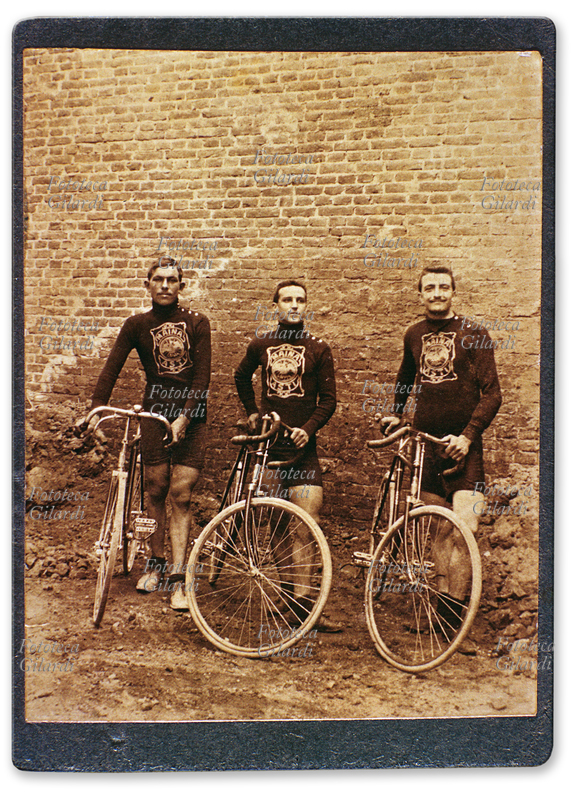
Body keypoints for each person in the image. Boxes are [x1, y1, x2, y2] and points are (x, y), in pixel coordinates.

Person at [77, 256, 211, 611]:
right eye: (158, 279)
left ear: (182, 285)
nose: (165, 285)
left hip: (191, 416)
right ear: (148, 284)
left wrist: (185, 418)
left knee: (181, 494)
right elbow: (111, 368)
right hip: (153, 413)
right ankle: (155, 564)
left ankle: (180, 579)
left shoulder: (198, 323)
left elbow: (202, 379)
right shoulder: (136, 324)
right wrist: (96, 406)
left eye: (172, 280)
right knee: (155, 489)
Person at [380, 265, 502, 635]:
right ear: (420, 294)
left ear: (453, 292)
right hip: (427, 447)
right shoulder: (413, 334)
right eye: (429, 288)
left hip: (465, 449)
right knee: (436, 531)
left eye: (443, 287)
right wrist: (395, 415)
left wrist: (467, 436)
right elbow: (405, 378)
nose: (436, 293)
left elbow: (493, 393)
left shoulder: (474, 333)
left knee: (464, 530)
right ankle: (438, 610)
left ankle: (453, 621)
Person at [234, 280, 339, 630]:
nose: (294, 305)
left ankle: (305, 604)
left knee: (305, 525)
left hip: (302, 451)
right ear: (276, 305)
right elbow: (240, 375)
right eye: (287, 300)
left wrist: (307, 429)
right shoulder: (261, 344)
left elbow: (329, 400)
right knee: (273, 522)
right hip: (269, 446)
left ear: (306, 306)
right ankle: (283, 595)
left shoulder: (319, 348)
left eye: (300, 300)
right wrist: (252, 410)